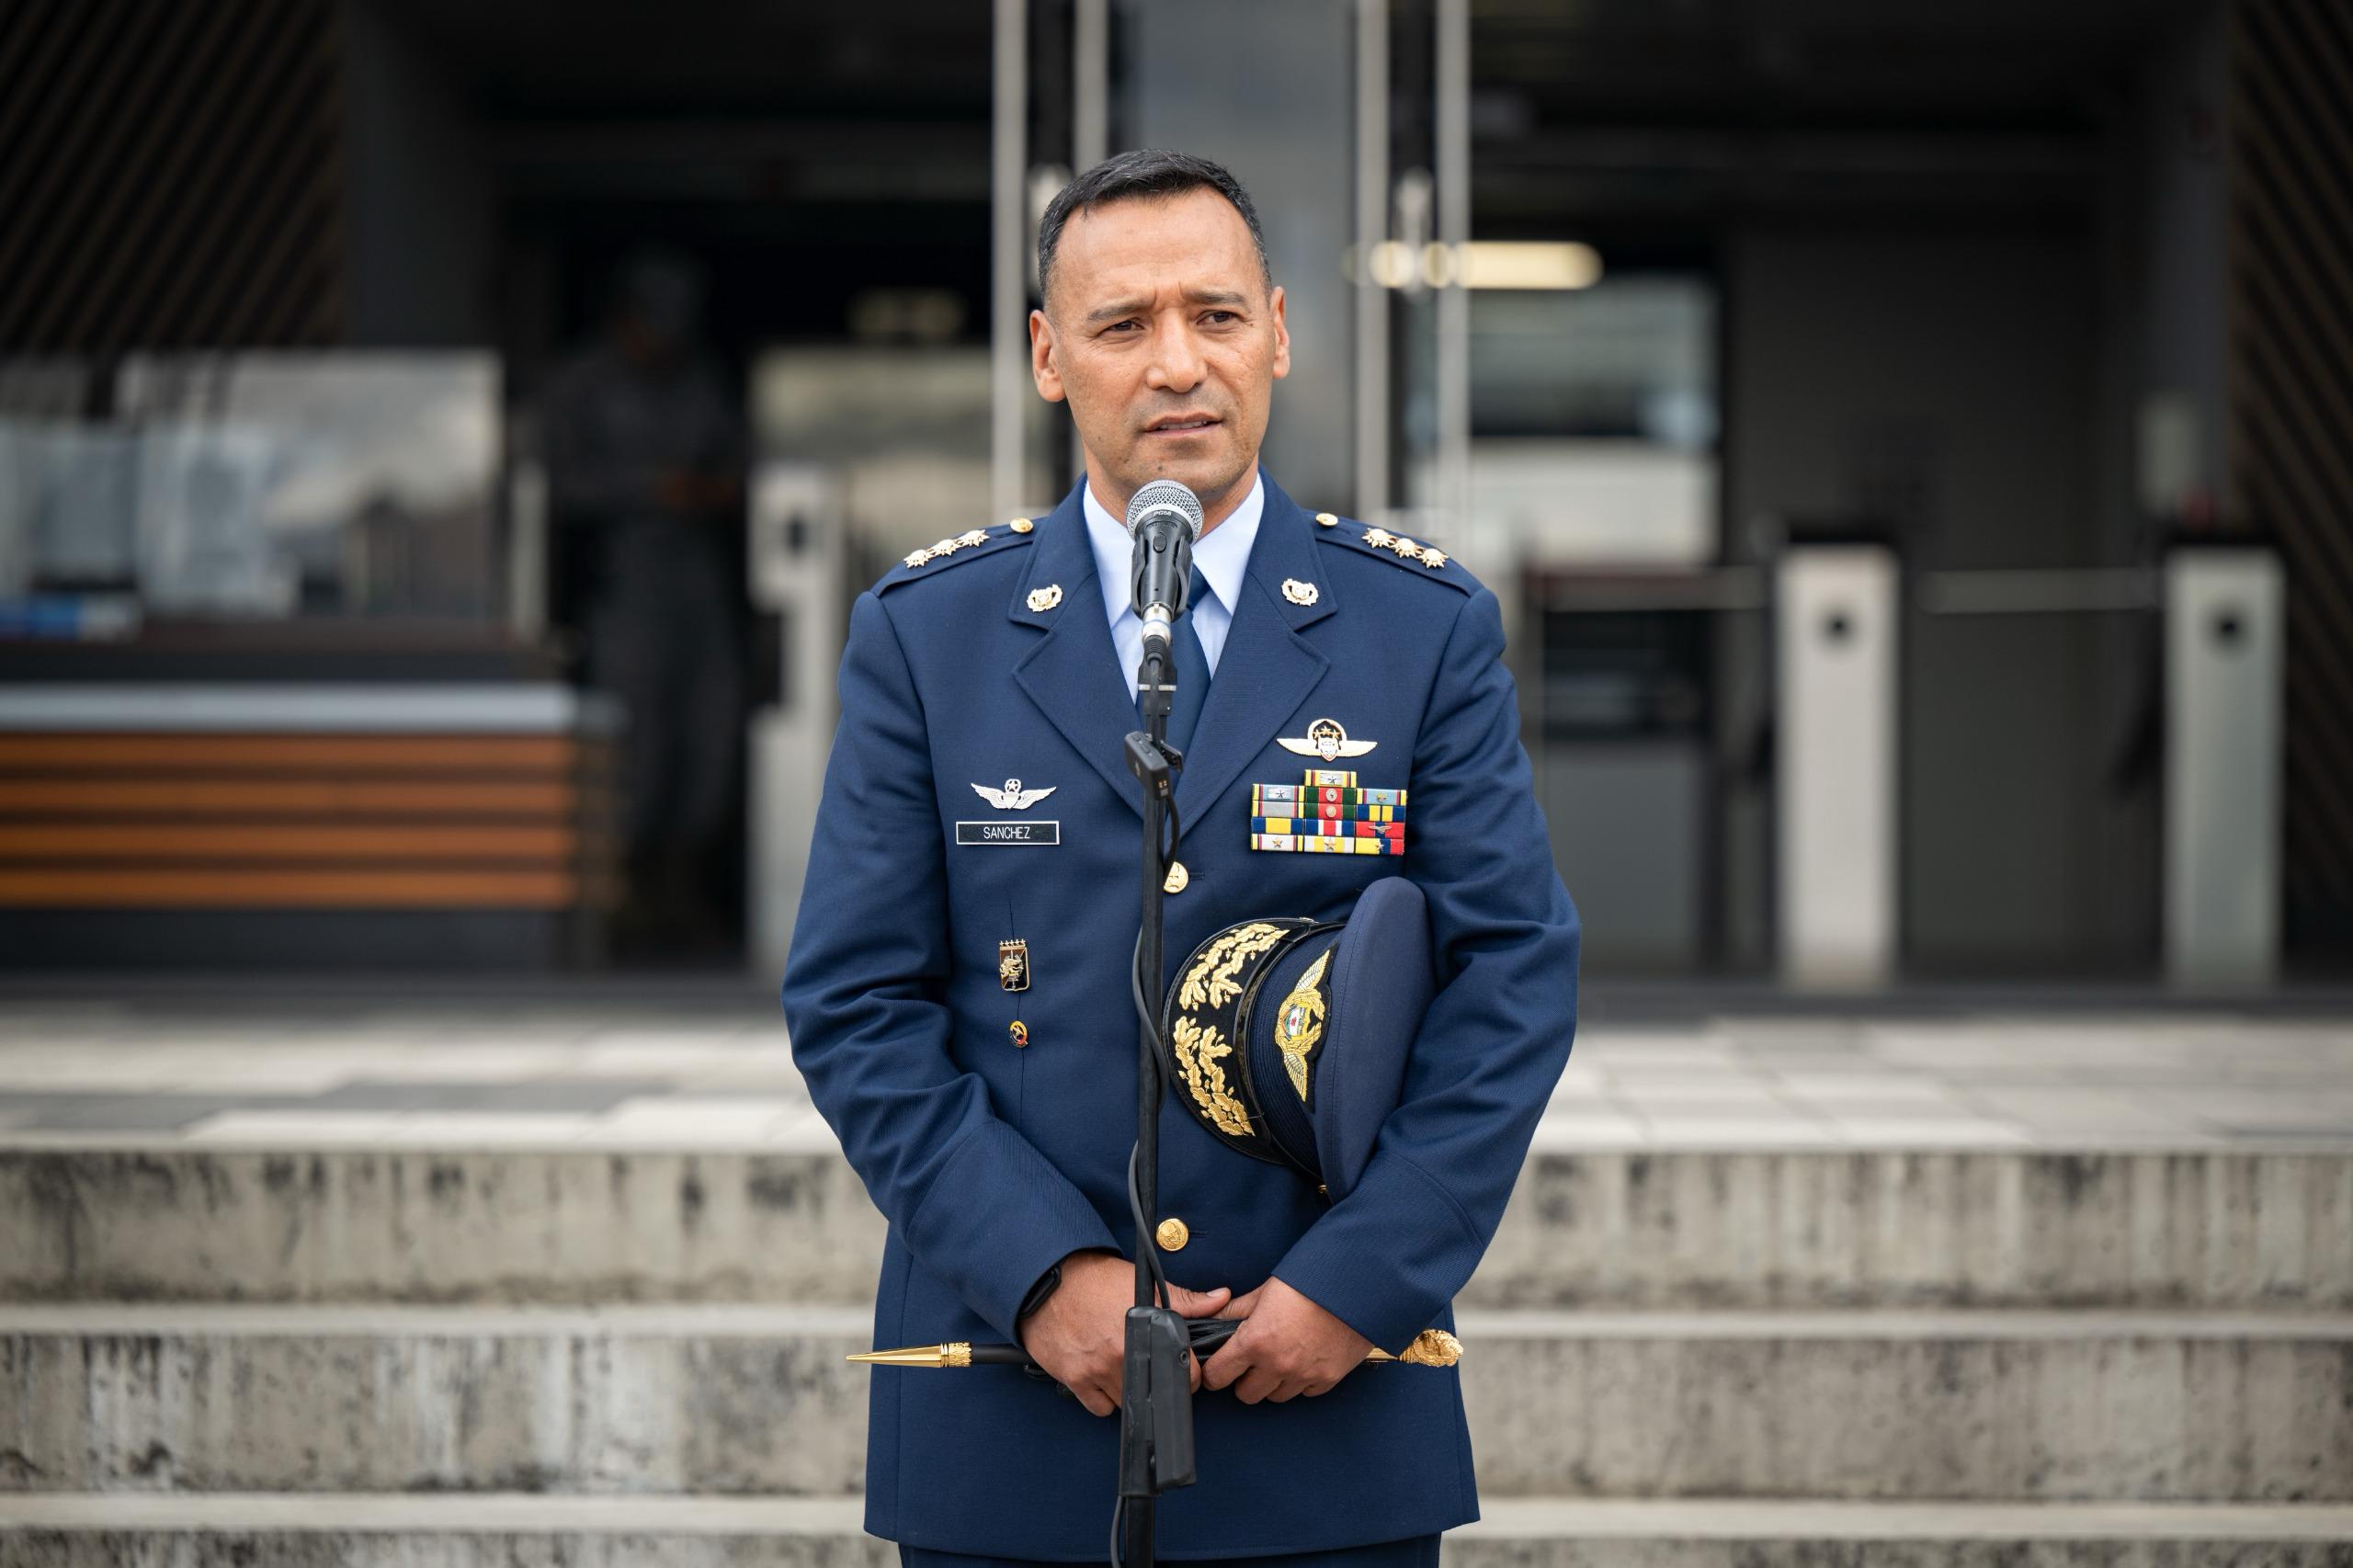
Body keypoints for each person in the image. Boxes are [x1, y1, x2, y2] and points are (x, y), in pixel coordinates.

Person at [781, 151, 1580, 1563]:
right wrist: (1043, 1274)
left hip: (1326, 1398)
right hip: (1013, 1401)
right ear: (1046, 354)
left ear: (1278, 329)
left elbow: (1509, 977)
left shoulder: (1419, 628)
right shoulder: (930, 633)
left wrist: (1360, 1281)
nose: (1178, 365)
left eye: (1215, 316)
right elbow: (856, 1000)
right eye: (1121, 323)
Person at [540, 251, 745, 946]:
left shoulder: (699, 381)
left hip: (696, 576)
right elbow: (555, 485)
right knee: (634, 738)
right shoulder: (580, 383)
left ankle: (677, 889)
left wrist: (713, 490)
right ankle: (616, 897)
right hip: (617, 579)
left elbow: (738, 462)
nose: (663, 338)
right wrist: (651, 489)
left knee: (709, 726)